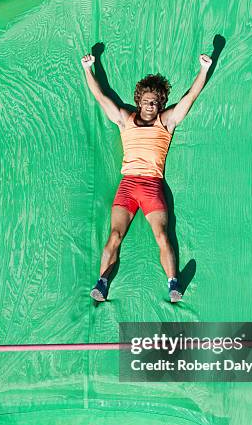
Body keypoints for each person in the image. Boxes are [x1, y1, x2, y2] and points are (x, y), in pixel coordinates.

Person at [81, 51, 212, 302]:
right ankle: (102, 282)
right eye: (147, 100)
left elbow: (190, 97)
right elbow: (100, 96)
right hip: (128, 186)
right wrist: (88, 69)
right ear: (139, 101)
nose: (150, 105)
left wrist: (204, 69)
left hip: (152, 186)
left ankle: (174, 283)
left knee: (162, 236)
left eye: (155, 102)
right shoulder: (124, 120)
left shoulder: (167, 122)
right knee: (114, 236)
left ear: (160, 105)